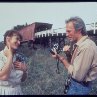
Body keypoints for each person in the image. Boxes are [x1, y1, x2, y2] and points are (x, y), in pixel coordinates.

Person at [51, 16, 97, 95]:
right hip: (76, 85)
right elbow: (74, 65)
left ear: (79, 30)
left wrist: (62, 60)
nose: (66, 34)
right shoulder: (80, 44)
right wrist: (68, 54)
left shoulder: (86, 47)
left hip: (80, 87)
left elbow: (78, 76)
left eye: (69, 31)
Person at [0, 30, 27, 95]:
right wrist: (10, 56)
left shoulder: (20, 57)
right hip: (4, 92)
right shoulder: (0, 56)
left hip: (17, 91)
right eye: (17, 39)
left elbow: (22, 80)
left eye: (20, 40)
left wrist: (24, 70)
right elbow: (4, 77)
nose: (19, 42)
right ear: (8, 39)